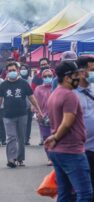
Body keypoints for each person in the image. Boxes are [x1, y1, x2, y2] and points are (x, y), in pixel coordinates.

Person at [45, 61, 93, 201]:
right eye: (76, 75)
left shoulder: (55, 94)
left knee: (65, 193)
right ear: (67, 78)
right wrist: (55, 137)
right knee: (85, 193)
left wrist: (54, 138)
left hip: (58, 151)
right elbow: (67, 122)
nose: (79, 78)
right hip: (71, 151)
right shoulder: (69, 95)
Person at [0, 62, 43, 168]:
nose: (12, 72)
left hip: (22, 114)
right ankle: (11, 159)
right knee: (11, 137)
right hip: (7, 115)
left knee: (21, 137)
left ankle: (20, 158)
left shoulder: (24, 84)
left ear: (18, 71)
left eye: (13, 70)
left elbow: (31, 98)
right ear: (6, 72)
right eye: (10, 70)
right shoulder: (3, 85)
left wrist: (38, 110)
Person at [75, 56, 94, 193]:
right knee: (83, 188)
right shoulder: (70, 93)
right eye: (92, 69)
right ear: (81, 72)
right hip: (80, 150)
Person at [33, 68, 53, 165]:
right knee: (46, 138)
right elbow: (35, 103)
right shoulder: (38, 89)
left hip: (56, 117)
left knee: (56, 137)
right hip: (43, 117)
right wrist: (37, 114)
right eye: (45, 76)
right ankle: (49, 158)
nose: (47, 78)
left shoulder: (56, 88)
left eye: (49, 76)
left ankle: (55, 157)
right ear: (42, 78)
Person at [20, 64, 33, 145]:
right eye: (22, 69)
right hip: (20, 106)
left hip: (29, 105)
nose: (23, 70)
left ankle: (27, 139)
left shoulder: (31, 80)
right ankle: (21, 138)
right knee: (21, 123)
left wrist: (33, 104)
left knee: (28, 123)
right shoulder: (18, 80)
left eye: (25, 69)